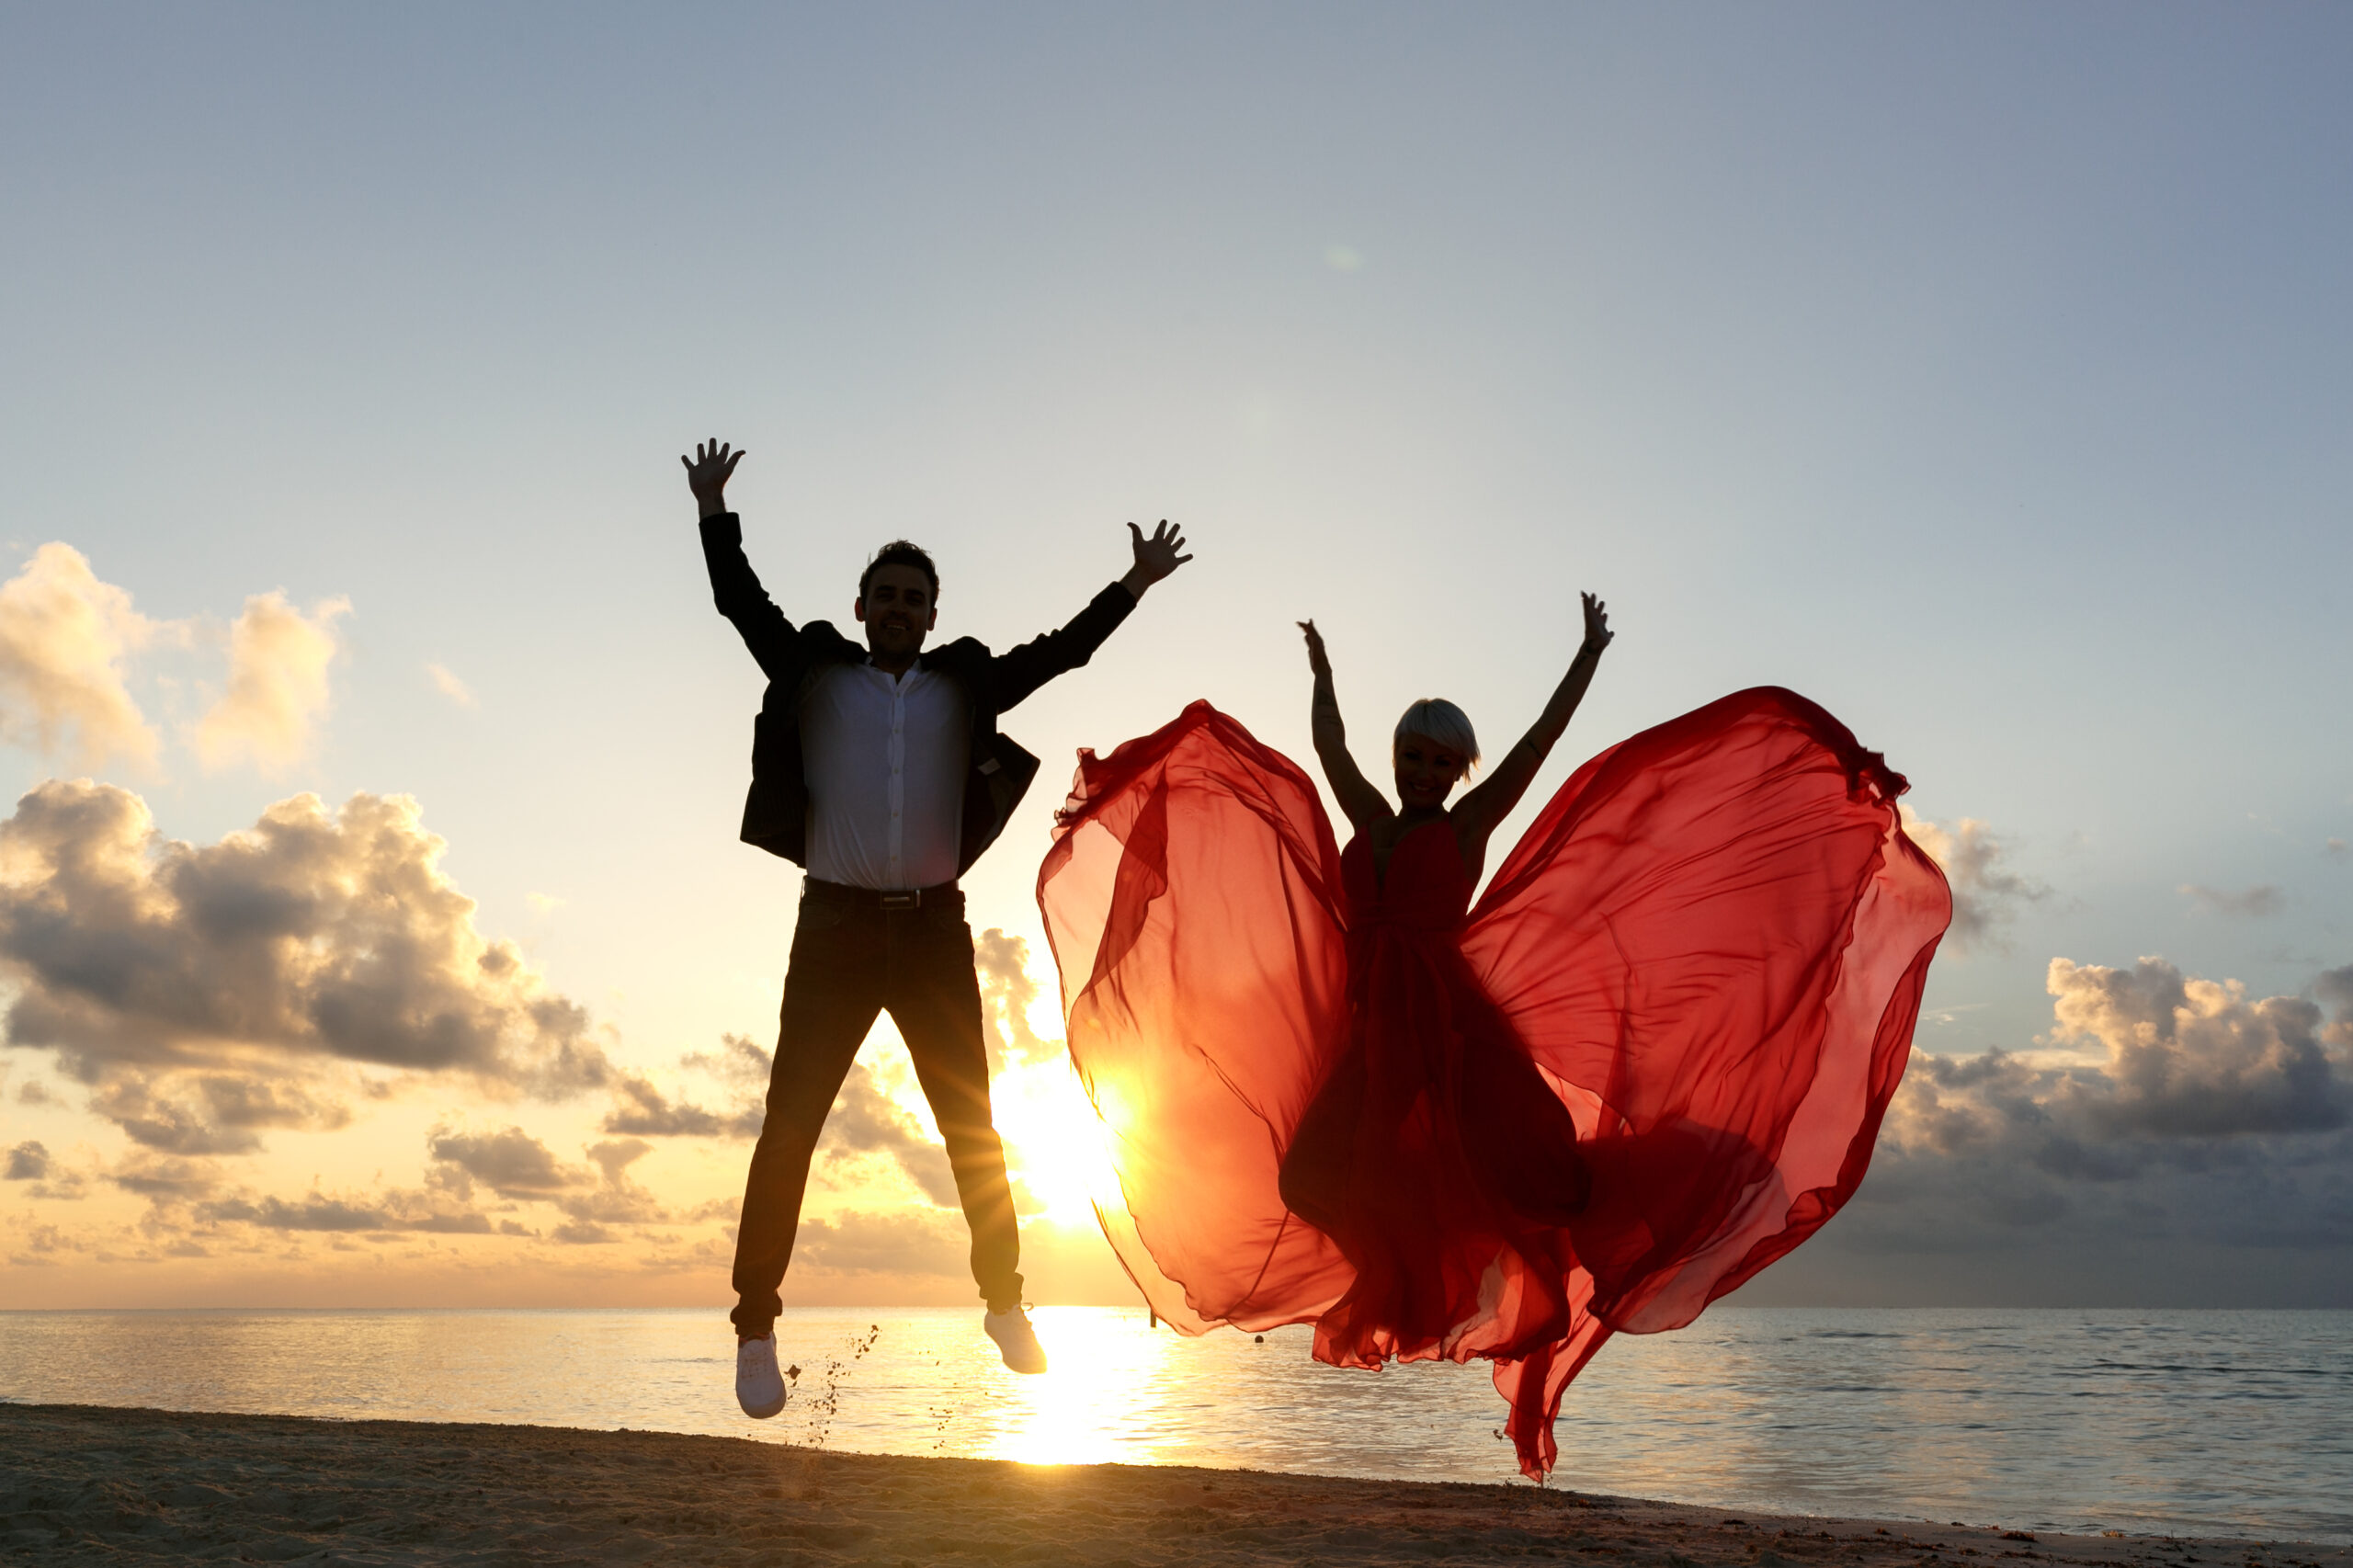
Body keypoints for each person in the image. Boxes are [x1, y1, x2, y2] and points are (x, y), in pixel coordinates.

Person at [1036, 598, 1950, 1480]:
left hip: (1448, 1024)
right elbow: (1325, 747)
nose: (1421, 769)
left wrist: (1585, 658)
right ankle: (1402, 1267)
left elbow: (1540, 747)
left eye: (1439, 759)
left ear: (1458, 768)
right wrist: (1320, 670)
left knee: (1538, 1175)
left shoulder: (1466, 824)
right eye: (1411, 754)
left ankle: (1609, 1226)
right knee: (1308, 1174)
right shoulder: (1371, 817)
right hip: (1363, 1028)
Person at [683, 438, 1192, 1420]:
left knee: (973, 1126)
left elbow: (1060, 652)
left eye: (917, 597)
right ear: (863, 602)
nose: (901, 608)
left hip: (932, 935)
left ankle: (1002, 1299)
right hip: (831, 929)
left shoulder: (966, 685)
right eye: (887, 593)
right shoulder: (817, 671)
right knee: (789, 1126)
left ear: (933, 613)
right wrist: (713, 508)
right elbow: (741, 604)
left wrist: (1131, 583)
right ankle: (754, 1323)